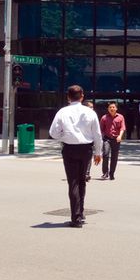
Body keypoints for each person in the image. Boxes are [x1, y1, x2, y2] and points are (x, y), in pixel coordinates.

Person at [49, 85, 102, 228]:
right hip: (86, 149)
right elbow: (97, 134)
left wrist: (64, 136)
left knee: (73, 182)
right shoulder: (90, 112)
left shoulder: (63, 111)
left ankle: (76, 217)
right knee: (82, 180)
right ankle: (81, 212)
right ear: (82, 96)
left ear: (68, 97)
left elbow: (53, 132)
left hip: (70, 148)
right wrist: (98, 152)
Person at [100, 102, 125, 181]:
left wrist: (120, 136)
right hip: (106, 138)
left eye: (113, 107)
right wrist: (101, 137)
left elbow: (122, 128)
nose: (112, 108)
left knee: (114, 157)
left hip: (116, 138)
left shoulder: (120, 117)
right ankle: (105, 173)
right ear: (108, 109)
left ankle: (112, 173)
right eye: (110, 107)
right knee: (105, 154)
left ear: (116, 108)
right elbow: (101, 129)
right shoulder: (104, 118)